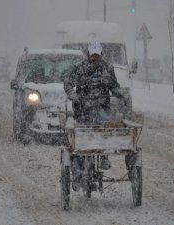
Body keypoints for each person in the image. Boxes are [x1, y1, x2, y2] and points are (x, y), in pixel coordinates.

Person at [64, 41, 127, 191]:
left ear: (101, 55)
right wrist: (73, 95)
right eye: (92, 56)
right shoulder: (79, 69)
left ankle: (104, 155)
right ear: (87, 55)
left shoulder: (107, 68)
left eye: (97, 56)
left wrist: (119, 94)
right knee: (80, 144)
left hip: (101, 109)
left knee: (103, 131)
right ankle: (78, 174)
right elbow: (67, 83)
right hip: (82, 111)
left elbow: (114, 86)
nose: (95, 59)